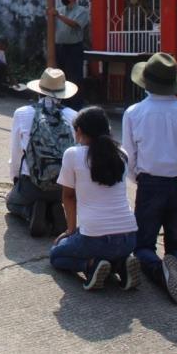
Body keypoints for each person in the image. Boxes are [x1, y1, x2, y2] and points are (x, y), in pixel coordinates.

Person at [122, 53, 177, 305]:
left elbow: (128, 155)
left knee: (143, 246)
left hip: (151, 183)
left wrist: (136, 178)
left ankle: (161, 273)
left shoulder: (135, 112)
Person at [50, 107, 140, 291]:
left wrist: (70, 230)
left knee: (56, 255)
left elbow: (68, 197)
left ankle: (91, 266)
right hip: (129, 238)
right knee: (107, 249)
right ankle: (120, 264)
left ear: (80, 131)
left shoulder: (73, 154)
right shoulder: (121, 154)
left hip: (94, 238)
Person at [6, 68, 78, 237]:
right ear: (63, 93)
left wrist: (16, 178)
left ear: (38, 90)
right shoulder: (75, 116)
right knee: (54, 198)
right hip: (62, 188)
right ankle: (54, 209)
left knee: (11, 202)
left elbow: (16, 153)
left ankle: (31, 212)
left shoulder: (22, 113)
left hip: (32, 184)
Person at [51, 0, 88, 109]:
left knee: (75, 77)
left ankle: (76, 105)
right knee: (61, 75)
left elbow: (74, 24)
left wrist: (58, 16)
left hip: (74, 48)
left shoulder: (81, 11)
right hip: (60, 47)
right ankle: (63, 102)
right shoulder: (60, 10)